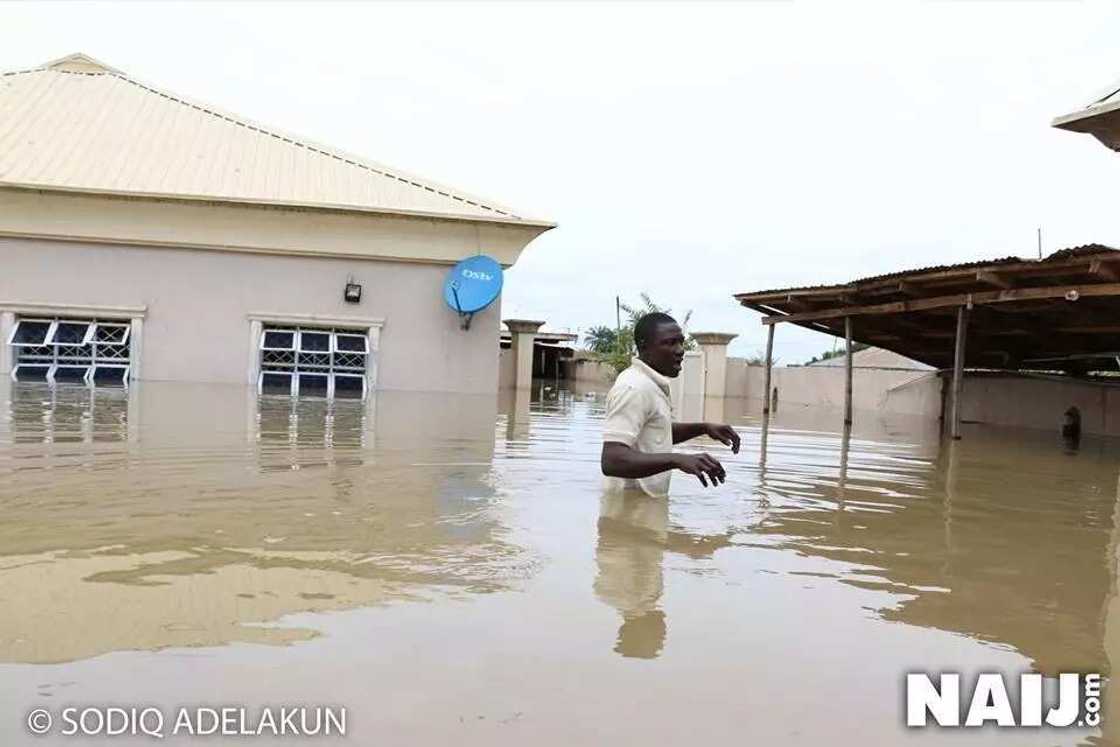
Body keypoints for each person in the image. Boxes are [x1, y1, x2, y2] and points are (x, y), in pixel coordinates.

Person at [600, 312, 741, 496]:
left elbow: (658, 435)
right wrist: (677, 460)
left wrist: (704, 428)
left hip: (645, 507)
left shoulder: (651, 385)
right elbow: (612, 460)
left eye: (681, 342)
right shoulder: (633, 388)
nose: (680, 350)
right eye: (669, 343)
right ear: (644, 345)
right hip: (628, 509)